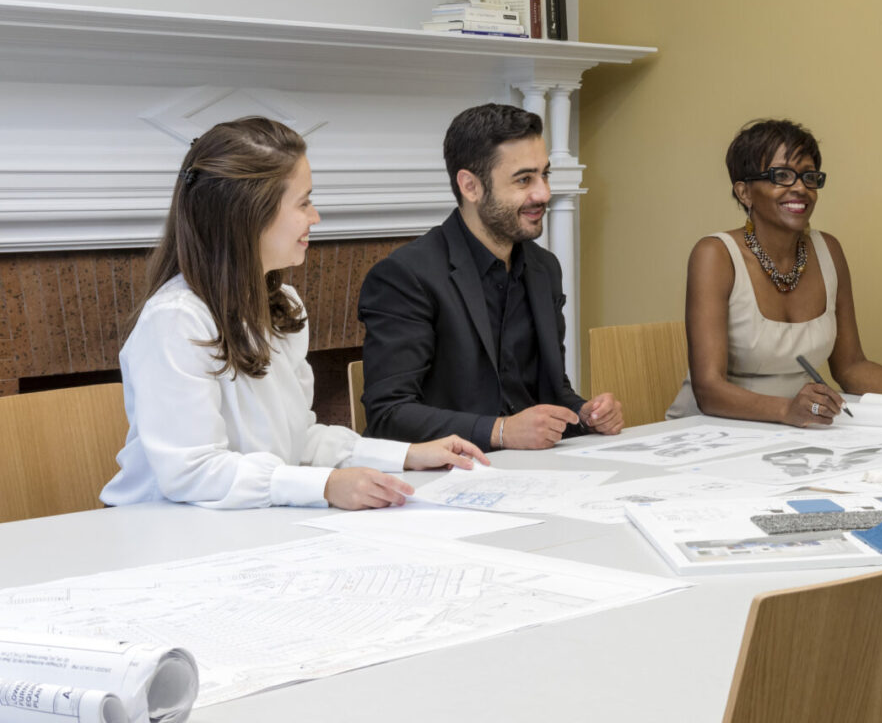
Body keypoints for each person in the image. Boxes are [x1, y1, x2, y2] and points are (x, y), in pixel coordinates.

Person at [102, 118, 486, 511]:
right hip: (159, 532)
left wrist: (406, 455)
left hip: (239, 525)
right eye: (303, 202)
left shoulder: (282, 304)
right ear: (248, 215)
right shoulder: (175, 321)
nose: (315, 217)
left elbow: (298, 440)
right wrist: (324, 486)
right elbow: (193, 471)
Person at [668, 118, 882, 424]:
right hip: (708, 436)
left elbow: (850, 367)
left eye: (809, 177)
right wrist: (787, 410)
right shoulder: (714, 255)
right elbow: (708, 390)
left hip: (791, 433)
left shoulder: (829, 251)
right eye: (782, 176)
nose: (800, 189)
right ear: (744, 192)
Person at [359, 103, 623, 451]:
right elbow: (388, 416)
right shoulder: (405, 276)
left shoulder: (544, 268)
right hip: (446, 478)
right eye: (524, 179)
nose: (543, 193)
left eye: (545, 175)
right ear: (470, 186)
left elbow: (552, 390)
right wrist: (499, 431)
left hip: (539, 470)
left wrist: (584, 414)